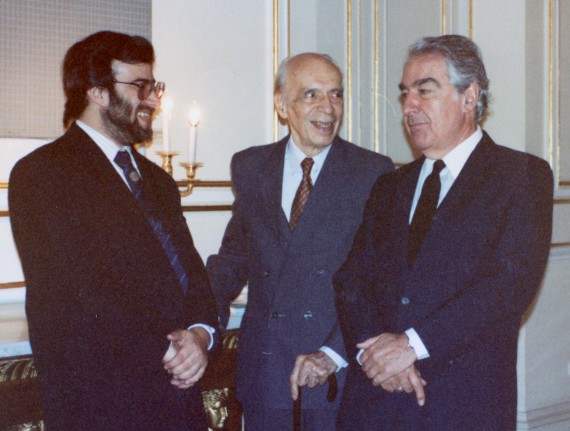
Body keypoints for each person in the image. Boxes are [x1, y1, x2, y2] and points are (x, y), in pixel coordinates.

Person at [333, 34, 554, 430]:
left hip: (461, 405)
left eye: (425, 91)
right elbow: (351, 279)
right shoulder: (390, 186)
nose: (409, 106)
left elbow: (507, 287)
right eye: (405, 94)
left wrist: (411, 346)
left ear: (470, 97)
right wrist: (378, 355)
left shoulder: (521, 176)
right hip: (375, 401)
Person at [9, 31, 218, 431]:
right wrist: (173, 350)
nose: (154, 100)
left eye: (154, 86)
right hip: (104, 406)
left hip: (179, 402)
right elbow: (72, 297)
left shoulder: (158, 181)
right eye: (140, 87)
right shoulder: (41, 175)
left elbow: (190, 274)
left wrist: (201, 334)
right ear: (97, 93)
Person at [206, 52, 394, 430]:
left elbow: (381, 281)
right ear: (281, 104)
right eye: (311, 95)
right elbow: (231, 260)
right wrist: (199, 326)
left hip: (335, 376)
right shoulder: (250, 166)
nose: (328, 108)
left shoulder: (373, 173)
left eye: (336, 94)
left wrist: (332, 353)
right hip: (266, 375)